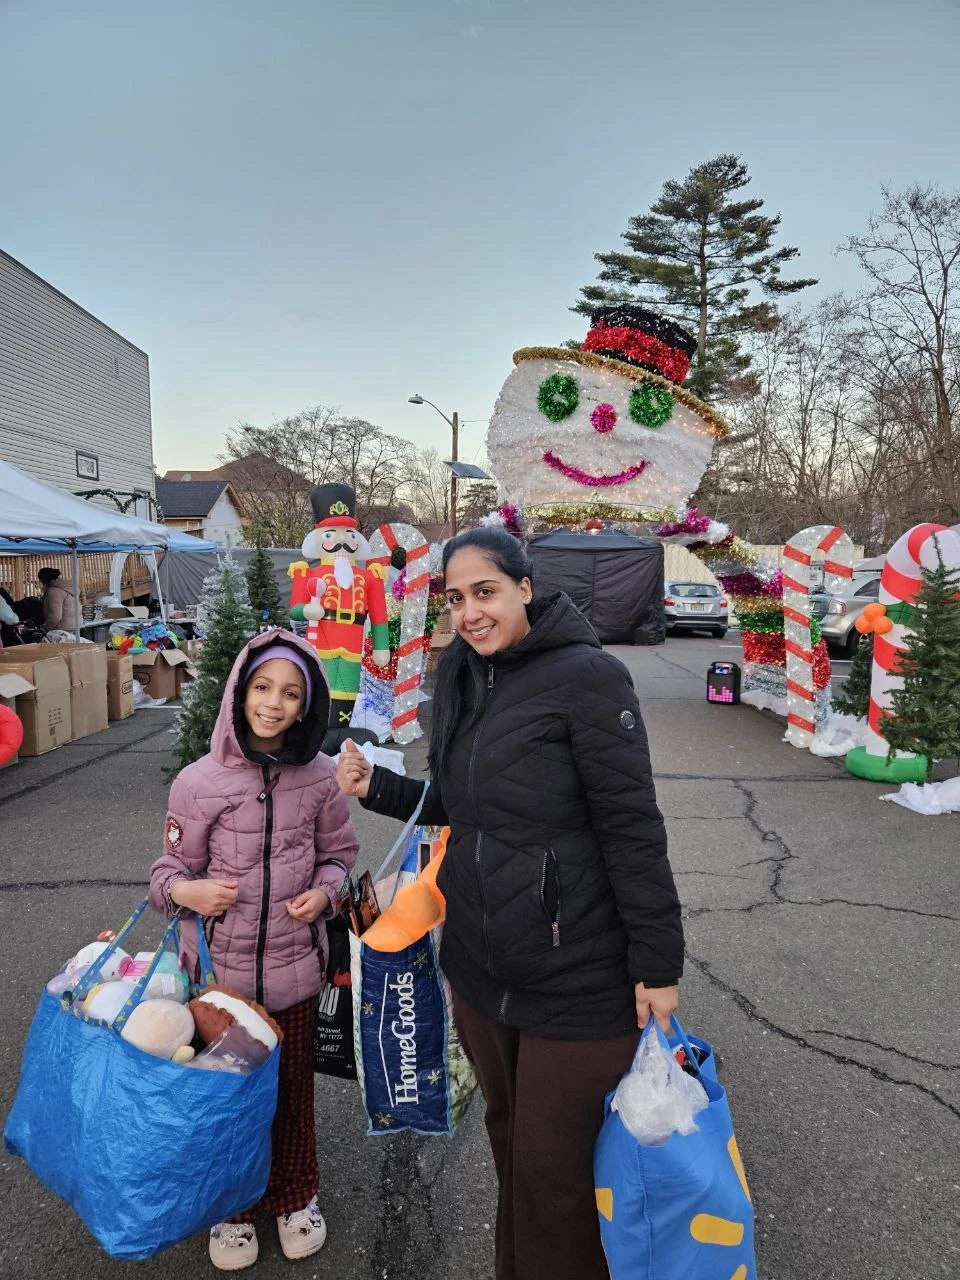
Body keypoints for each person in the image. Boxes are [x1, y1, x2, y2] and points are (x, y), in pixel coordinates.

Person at [336, 526, 683, 1280]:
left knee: (555, 1179)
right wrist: (380, 790)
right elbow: (461, 803)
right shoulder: (460, 674)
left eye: (485, 592)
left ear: (526, 588)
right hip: (483, 971)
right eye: (455, 598)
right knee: (513, 1154)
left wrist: (657, 964)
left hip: (578, 975)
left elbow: (631, 827)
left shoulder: (588, 678)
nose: (469, 612)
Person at [150, 629, 359, 1272]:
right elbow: (163, 879)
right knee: (226, 1099)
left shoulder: (321, 778)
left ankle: (296, 1197)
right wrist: (191, 889)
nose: (274, 704)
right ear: (241, 692)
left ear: (307, 705)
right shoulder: (198, 781)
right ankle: (233, 1208)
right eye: (263, 688)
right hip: (223, 981)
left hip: (296, 973)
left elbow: (340, 859)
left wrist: (325, 895)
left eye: (291, 694)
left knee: (292, 1095)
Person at [38, 566, 79, 632]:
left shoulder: (53, 591)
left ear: (44, 580)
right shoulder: (66, 587)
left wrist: (45, 628)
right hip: (76, 625)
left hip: (63, 629)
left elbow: (55, 616)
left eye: (39, 580)